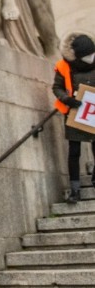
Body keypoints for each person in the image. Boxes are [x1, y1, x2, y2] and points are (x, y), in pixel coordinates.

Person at [52, 33, 95, 203]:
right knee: (74, 151)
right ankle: (75, 189)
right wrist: (67, 99)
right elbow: (57, 87)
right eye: (87, 56)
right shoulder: (64, 66)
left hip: (93, 111)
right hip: (74, 113)